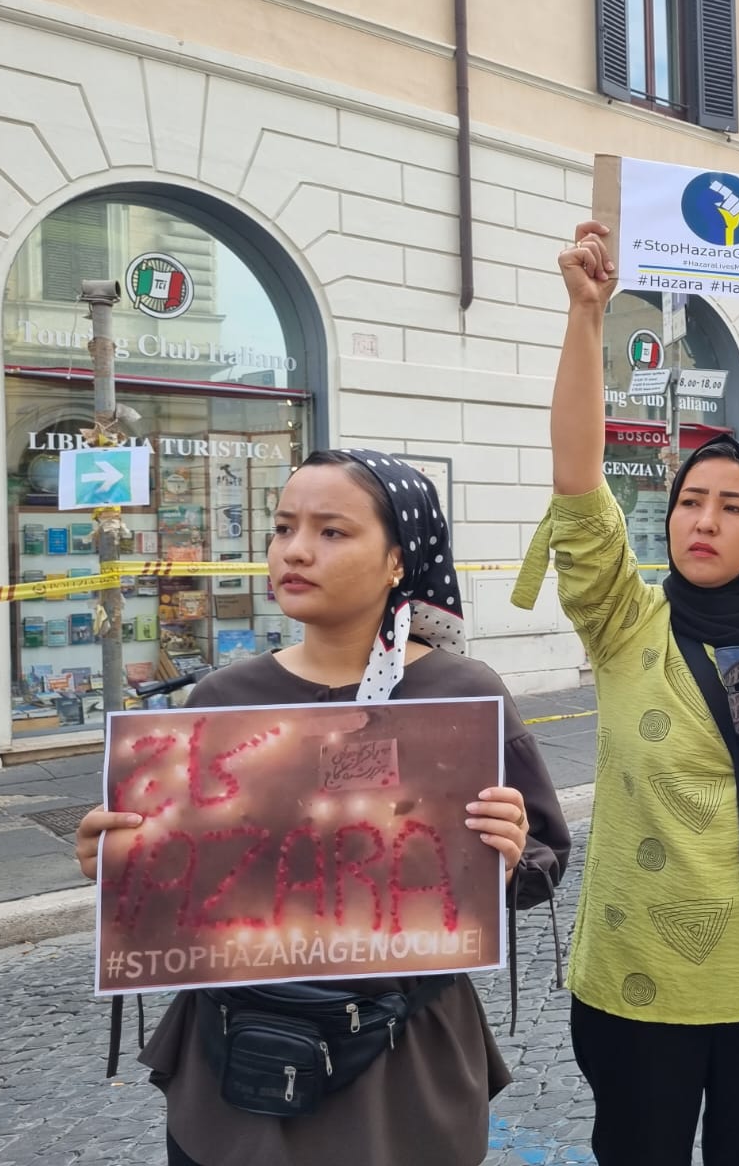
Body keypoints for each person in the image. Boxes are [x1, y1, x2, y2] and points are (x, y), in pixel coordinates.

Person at [74, 449, 572, 1166]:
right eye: (283, 527)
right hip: (234, 1059)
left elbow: (542, 863)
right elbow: (185, 881)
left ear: (398, 560)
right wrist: (118, 865)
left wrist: (507, 854)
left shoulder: (464, 696)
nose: (296, 550)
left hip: (401, 1063)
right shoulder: (220, 701)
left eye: (332, 531)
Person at [518, 221, 739, 1165]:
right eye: (690, 501)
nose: (705, 521)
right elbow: (578, 487)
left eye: (733, 505)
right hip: (635, 980)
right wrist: (586, 316)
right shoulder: (621, 617)